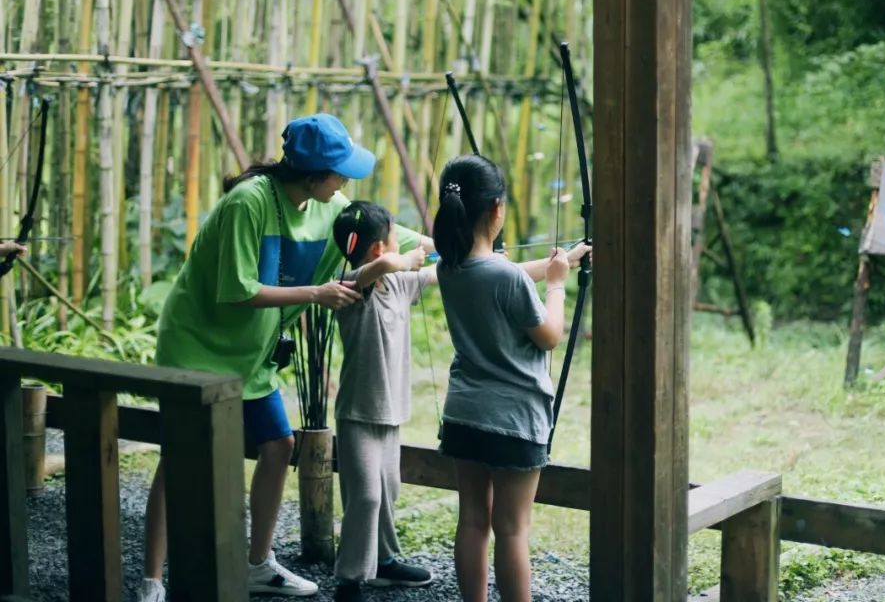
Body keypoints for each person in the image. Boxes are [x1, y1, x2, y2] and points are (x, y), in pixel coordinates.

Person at [138, 114, 421, 601]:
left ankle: (258, 564)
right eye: (340, 173)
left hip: (253, 356)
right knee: (180, 459)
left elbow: (406, 243)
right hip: (196, 347)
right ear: (313, 176)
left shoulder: (330, 206)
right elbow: (238, 290)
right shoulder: (249, 203)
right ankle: (151, 579)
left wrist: (469, 255)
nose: (347, 181)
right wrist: (317, 293)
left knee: (278, 447)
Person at [431, 154, 590, 602]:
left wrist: (565, 261)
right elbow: (549, 337)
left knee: (472, 521)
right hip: (514, 420)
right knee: (513, 529)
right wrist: (558, 284)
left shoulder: (449, 267)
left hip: (464, 415)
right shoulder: (505, 278)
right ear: (497, 209)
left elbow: (503, 275)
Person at [330, 201, 437, 602]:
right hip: (358, 412)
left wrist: (474, 255)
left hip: (391, 411)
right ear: (379, 247)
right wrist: (403, 258)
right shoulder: (347, 287)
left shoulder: (400, 284)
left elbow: (441, 271)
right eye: (395, 236)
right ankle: (350, 579)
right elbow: (372, 271)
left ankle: (385, 563)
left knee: (388, 490)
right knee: (366, 495)